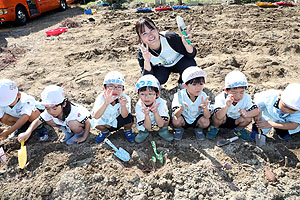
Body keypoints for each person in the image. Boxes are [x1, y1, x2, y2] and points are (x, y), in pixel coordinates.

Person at [17, 85, 91, 145]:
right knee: (48, 119)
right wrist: (27, 133)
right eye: (47, 108)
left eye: (54, 109)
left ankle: (79, 133)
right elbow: (38, 121)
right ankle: (68, 131)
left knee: (73, 124)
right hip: (66, 123)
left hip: (80, 123)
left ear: (63, 104)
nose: (51, 111)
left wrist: (84, 137)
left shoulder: (75, 111)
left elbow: (87, 122)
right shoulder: (50, 111)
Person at [135, 17, 197, 85]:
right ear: (140, 38)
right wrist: (146, 61)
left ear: (157, 29)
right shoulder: (142, 52)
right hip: (162, 69)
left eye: (152, 30)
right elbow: (147, 77)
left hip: (179, 62)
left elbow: (191, 55)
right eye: (144, 33)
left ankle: (182, 83)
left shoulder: (170, 38)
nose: (150, 35)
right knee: (157, 78)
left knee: (190, 66)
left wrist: (187, 45)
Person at [207, 71, 259, 141]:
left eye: (241, 92)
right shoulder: (221, 97)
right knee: (218, 117)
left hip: (236, 120)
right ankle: (214, 128)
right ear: (226, 90)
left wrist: (247, 113)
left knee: (248, 118)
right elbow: (218, 116)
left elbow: (256, 110)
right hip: (223, 120)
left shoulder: (246, 98)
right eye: (234, 92)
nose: (238, 96)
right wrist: (226, 106)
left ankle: (238, 130)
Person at [91, 71, 135, 143]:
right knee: (95, 123)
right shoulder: (101, 98)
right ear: (104, 88)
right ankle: (105, 132)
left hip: (119, 120)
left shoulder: (125, 98)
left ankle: (127, 130)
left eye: (119, 87)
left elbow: (125, 116)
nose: (115, 90)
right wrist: (105, 103)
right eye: (111, 86)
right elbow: (96, 116)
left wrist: (123, 105)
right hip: (106, 122)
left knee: (130, 118)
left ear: (123, 89)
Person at [172, 66, 210, 140]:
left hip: (197, 119)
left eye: (201, 84)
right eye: (194, 84)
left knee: (205, 122)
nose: (198, 88)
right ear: (185, 86)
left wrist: (205, 108)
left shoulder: (203, 95)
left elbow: (207, 116)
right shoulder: (179, 95)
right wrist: (180, 109)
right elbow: (176, 115)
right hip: (184, 118)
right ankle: (179, 129)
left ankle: (199, 129)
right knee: (176, 121)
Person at [134, 74, 174, 143]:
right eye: (142, 94)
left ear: (157, 94)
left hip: (159, 121)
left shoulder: (161, 103)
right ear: (138, 93)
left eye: (150, 93)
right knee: (140, 122)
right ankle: (144, 132)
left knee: (166, 119)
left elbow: (161, 124)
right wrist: (146, 114)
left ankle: (163, 131)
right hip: (146, 123)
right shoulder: (139, 105)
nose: (146, 97)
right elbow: (148, 127)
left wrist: (155, 112)